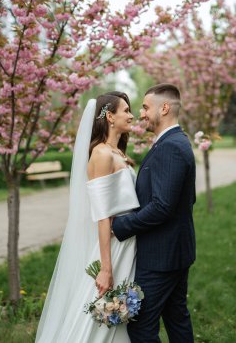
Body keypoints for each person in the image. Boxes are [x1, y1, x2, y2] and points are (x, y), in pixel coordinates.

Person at [35, 91, 140, 343]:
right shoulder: (102, 154)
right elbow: (103, 216)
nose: (131, 115)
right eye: (126, 110)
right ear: (110, 117)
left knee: (123, 317)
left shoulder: (118, 153)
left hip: (129, 241)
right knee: (104, 314)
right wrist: (105, 268)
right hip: (115, 247)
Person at [112, 83, 196, 343]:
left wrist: (121, 226)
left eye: (146, 107)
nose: (142, 113)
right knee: (176, 318)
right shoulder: (172, 143)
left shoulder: (171, 147)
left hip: (162, 256)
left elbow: (162, 206)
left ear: (165, 108)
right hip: (174, 250)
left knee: (141, 326)